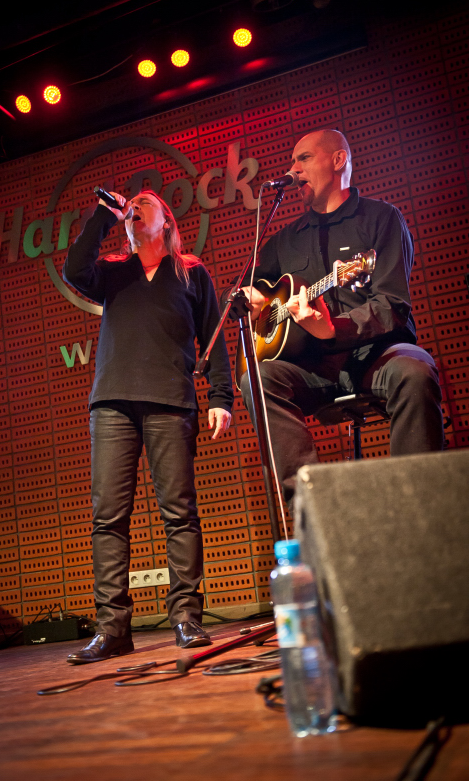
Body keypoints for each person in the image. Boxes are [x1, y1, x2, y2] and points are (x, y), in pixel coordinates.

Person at [63, 190, 233, 664]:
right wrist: (102, 215)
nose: (134, 209)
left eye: (143, 203)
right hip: (112, 403)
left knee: (179, 512)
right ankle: (113, 627)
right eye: (129, 207)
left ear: (167, 221)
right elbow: (74, 271)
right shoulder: (114, 270)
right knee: (108, 518)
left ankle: (186, 617)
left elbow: (213, 338)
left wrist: (221, 396)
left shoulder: (191, 272)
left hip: (170, 401)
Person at [239, 129, 444, 519]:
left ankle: (416, 508)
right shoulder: (284, 241)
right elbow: (236, 296)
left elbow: (392, 304)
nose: (292, 169)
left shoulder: (381, 218)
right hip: (313, 365)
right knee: (257, 379)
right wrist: (255, 301)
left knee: (415, 373)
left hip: (377, 353)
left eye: (303, 159)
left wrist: (334, 327)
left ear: (338, 161)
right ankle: (312, 512)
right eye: (292, 161)